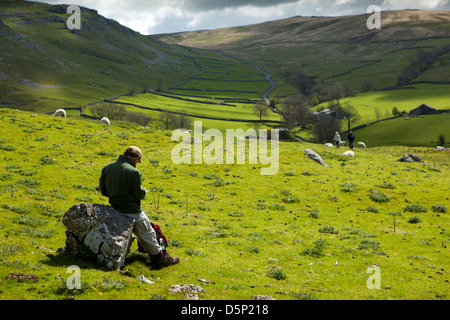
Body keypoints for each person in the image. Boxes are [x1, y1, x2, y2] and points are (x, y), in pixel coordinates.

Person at [99, 146, 180, 268]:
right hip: (132, 210)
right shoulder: (133, 172)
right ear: (136, 158)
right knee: (148, 232)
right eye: (138, 161)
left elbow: (104, 191)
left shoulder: (107, 168)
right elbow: (139, 194)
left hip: (114, 209)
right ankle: (160, 257)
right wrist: (143, 192)